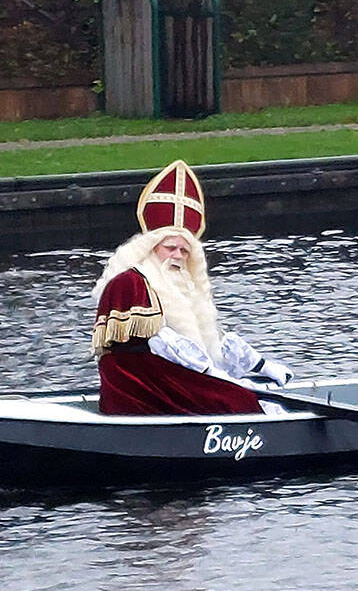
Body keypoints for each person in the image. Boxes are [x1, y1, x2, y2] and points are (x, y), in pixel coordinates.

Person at [91, 159, 293, 415]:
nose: (177, 255)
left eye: (184, 250)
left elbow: (214, 343)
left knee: (252, 393)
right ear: (151, 248)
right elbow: (168, 347)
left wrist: (262, 366)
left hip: (173, 376)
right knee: (240, 400)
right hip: (143, 387)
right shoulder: (131, 282)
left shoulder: (182, 287)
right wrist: (226, 380)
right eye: (170, 248)